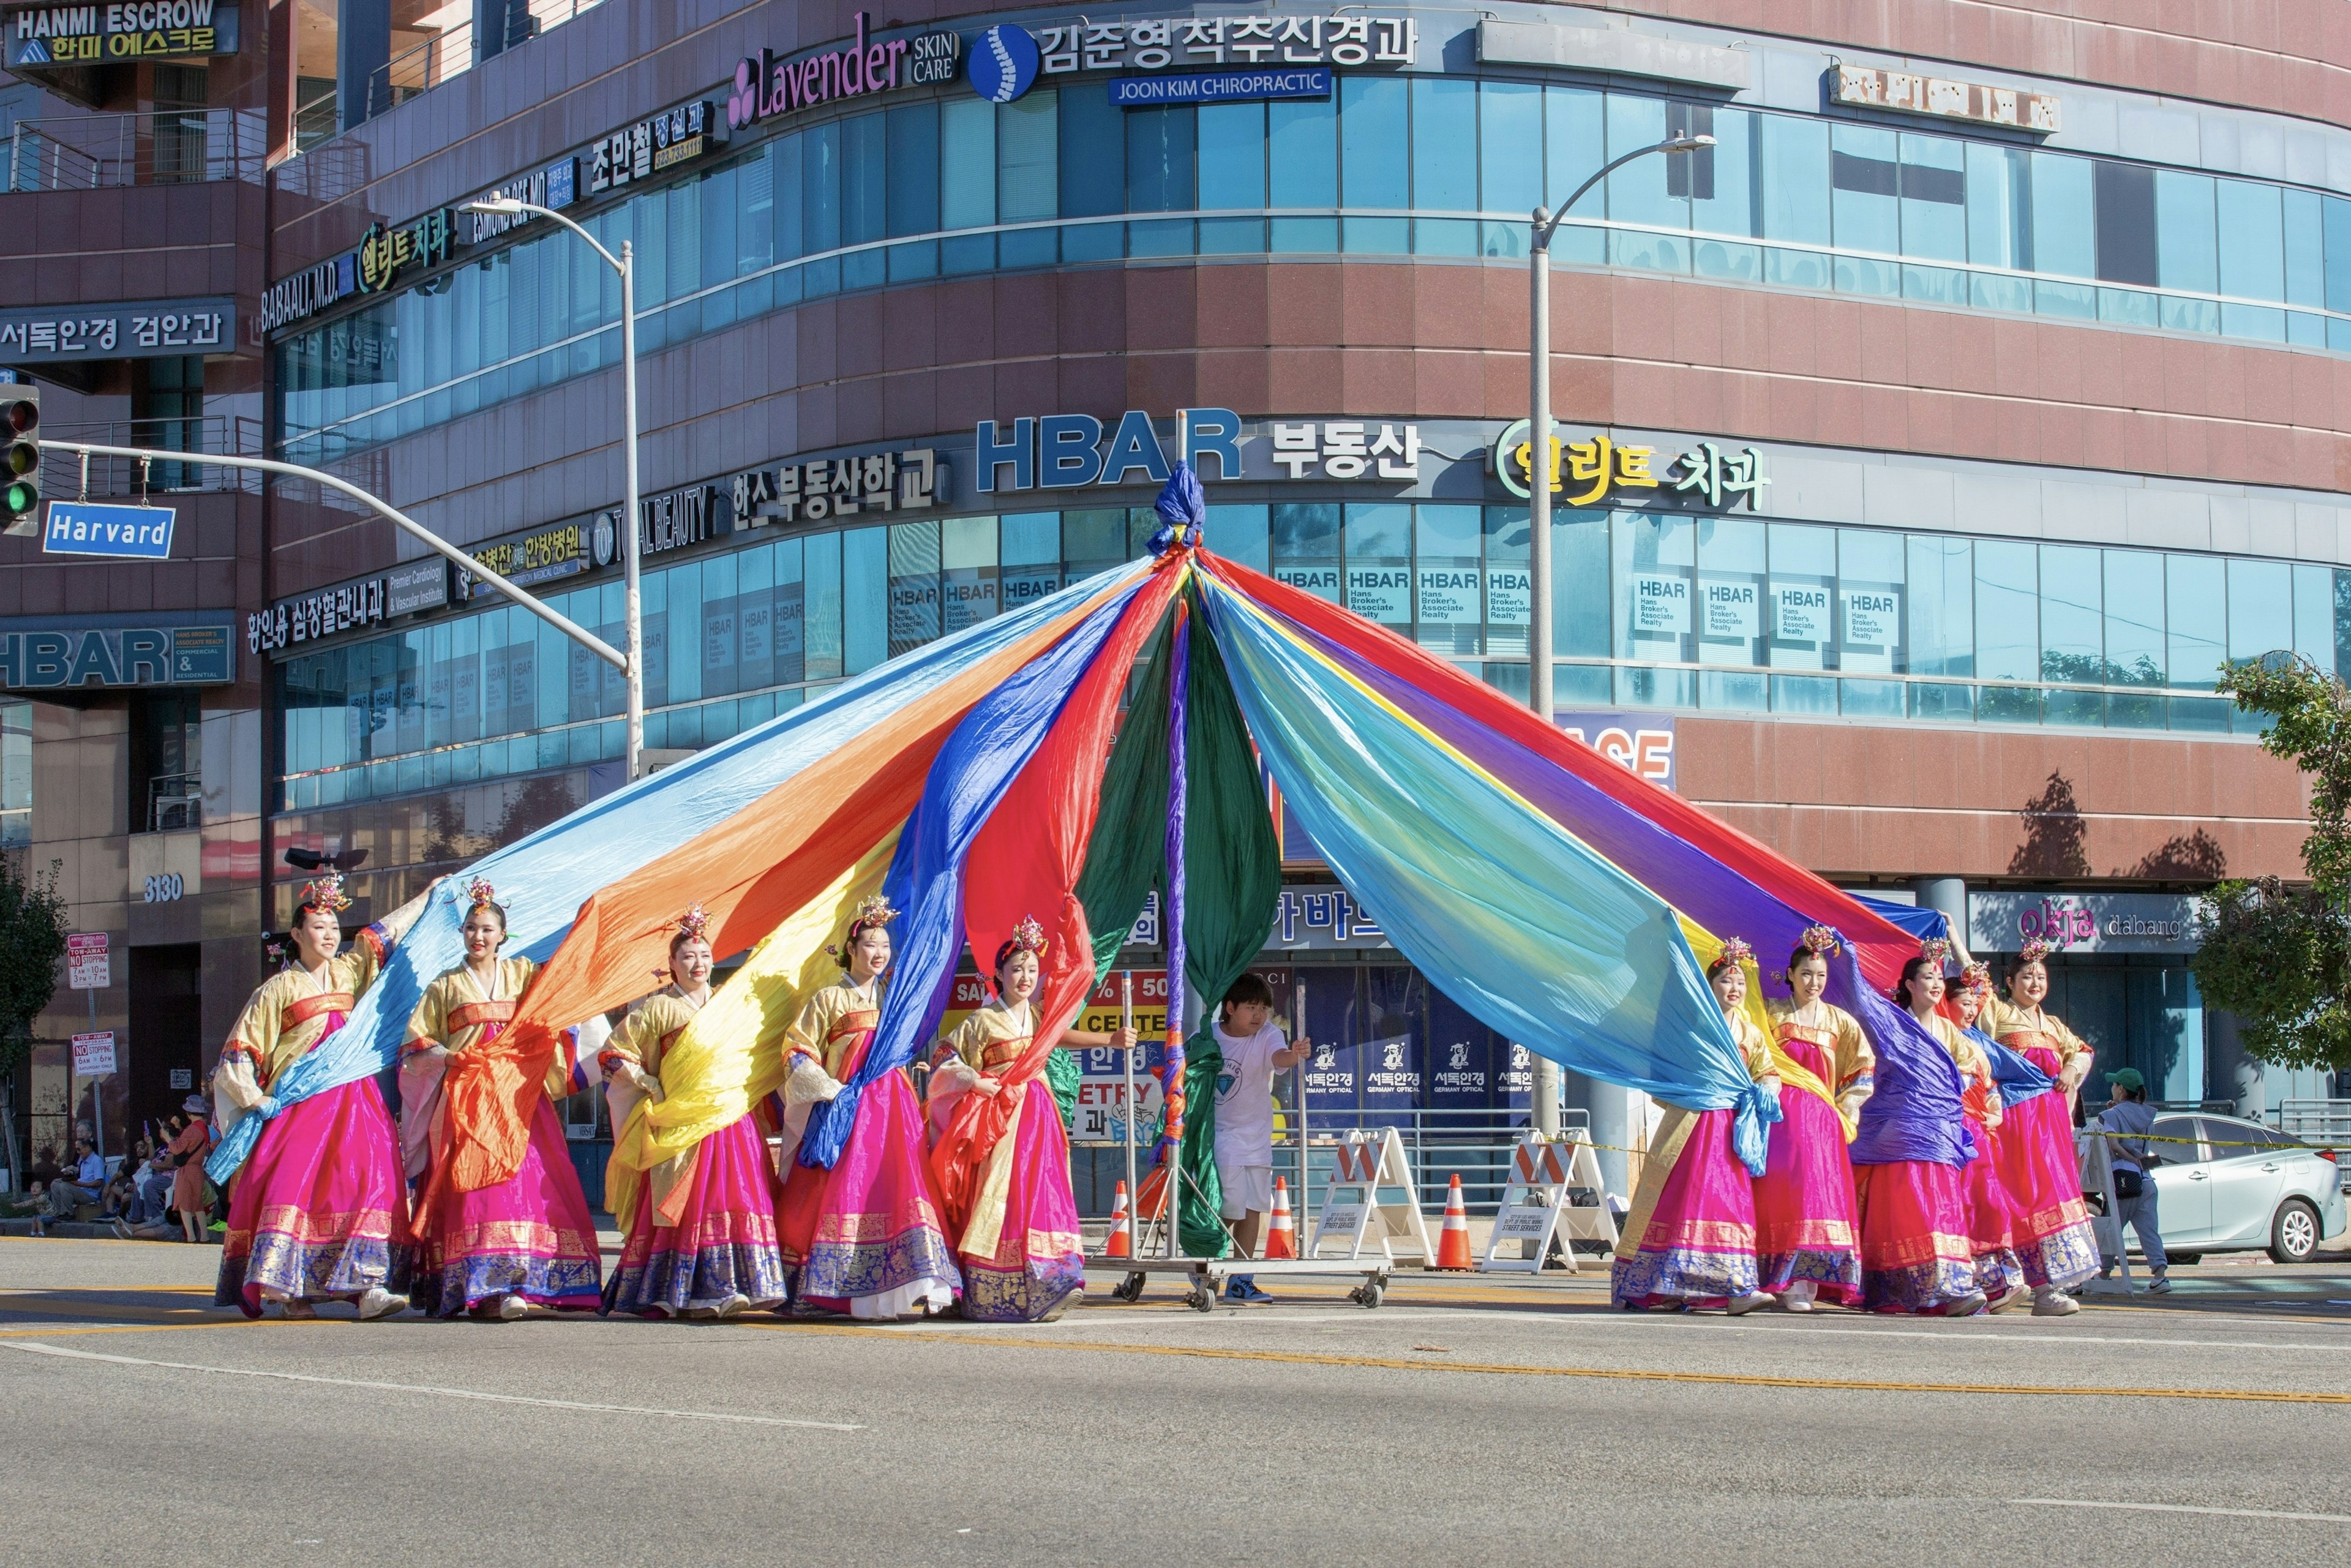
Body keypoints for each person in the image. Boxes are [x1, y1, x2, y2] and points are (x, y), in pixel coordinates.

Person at [211, 870, 432, 1320]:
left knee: (370, 1180)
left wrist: (428, 896)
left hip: (355, 1098)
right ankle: (291, 1288)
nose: (329, 935)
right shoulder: (276, 990)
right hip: (300, 1104)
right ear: (297, 933)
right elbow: (240, 1049)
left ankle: (366, 1285)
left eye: (334, 927)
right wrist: (254, 1098)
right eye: (318, 927)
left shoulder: (350, 973)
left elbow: (379, 937)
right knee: (298, 1186)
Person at [403, 878, 602, 1320]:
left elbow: (557, 999)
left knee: (530, 1185)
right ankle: (485, 1285)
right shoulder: (444, 985)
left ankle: (521, 1282)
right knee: (478, 1191)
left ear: (503, 935)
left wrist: (587, 927)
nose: (479, 936)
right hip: (468, 1099)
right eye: (472, 928)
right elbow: (416, 1044)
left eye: (488, 929)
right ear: (463, 934)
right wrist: (450, 1057)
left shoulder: (523, 974)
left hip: (518, 1099)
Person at [927, 916, 1138, 1322]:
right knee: (1000, 1194)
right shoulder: (982, 1020)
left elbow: (1061, 1034)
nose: (1025, 977)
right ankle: (991, 1289)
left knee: (1045, 1191)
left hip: (1039, 1115)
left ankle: (1052, 1278)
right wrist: (974, 1079)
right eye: (1016, 969)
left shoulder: (1040, 1017)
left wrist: (1109, 1041)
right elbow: (944, 1057)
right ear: (999, 975)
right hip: (1002, 1120)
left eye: (1031, 969)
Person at [776, 894, 962, 1319]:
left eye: (884, 946)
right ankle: (832, 1284)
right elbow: (797, 1049)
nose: (878, 953)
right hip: (850, 1105)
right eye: (869, 945)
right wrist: (829, 1089)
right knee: (842, 1188)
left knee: (902, 1183)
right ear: (850, 951)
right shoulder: (828, 999)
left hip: (893, 1107)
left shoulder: (894, 1000)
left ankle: (914, 1280)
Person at [602, 905, 789, 1319]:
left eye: (704, 955)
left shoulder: (728, 1004)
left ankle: (742, 1283)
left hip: (730, 1116)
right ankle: (690, 1290)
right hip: (683, 1121)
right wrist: (647, 1082)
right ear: (671, 963)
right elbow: (614, 1054)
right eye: (687, 956)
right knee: (690, 1202)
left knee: (737, 1194)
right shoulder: (657, 1009)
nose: (698, 963)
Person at [1612, 939, 1777, 1313]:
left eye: (1740, 984)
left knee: (1728, 1202)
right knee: (1681, 1199)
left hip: (1732, 1127)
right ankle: (1666, 1286)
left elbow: (1767, 1070)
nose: (1734, 990)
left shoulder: (1750, 1030)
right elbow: (1664, 1068)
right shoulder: (1691, 1026)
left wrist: (1766, 1088)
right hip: (1690, 1123)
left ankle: (1736, 1287)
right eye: (1725, 982)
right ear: (1710, 985)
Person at [1853, 952, 1990, 1316]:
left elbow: (1967, 1069)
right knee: (1904, 1210)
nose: (1935, 984)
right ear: (1910, 985)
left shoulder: (1948, 1030)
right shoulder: (1893, 1024)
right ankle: (1901, 1289)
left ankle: (1949, 1286)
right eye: (1927, 977)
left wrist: (1942, 1088)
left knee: (1942, 1207)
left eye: (1939, 978)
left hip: (1939, 1129)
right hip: (1898, 1131)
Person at [1979, 940, 2101, 1316]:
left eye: (2041, 976)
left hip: (2047, 1128)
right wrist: (1952, 937)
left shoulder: (2054, 1026)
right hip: (2013, 1123)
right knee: (2012, 1197)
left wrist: (2068, 1070)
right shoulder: (1997, 1013)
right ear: (2010, 981)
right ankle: (2003, 1281)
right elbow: (1975, 1020)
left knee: (2046, 1199)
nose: (2035, 982)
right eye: (2027, 976)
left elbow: (2083, 1051)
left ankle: (2048, 1289)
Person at [1755, 926, 1870, 1310]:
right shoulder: (1770, 1013)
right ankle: (1778, 1278)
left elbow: (1861, 1069)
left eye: (1821, 975)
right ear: (1790, 974)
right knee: (1782, 1196)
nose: (1814, 982)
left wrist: (1846, 1110)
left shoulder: (1840, 1021)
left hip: (1821, 1120)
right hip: (1781, 1119)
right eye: (1806, 974)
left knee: (1817, 1197)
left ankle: (1806, 1281)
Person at [1209, 973, 1311, 1304]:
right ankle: (1206, 1265)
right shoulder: (1208, 1037)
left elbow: (1278, 1057)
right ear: (1230, 1007)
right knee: (1228, 1207)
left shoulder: (1268, 1033)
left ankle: (1241, 1279)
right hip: (1221, 1135)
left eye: (1263, 1008)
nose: (1259, 1015)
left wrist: (1295, 1055)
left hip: (1257, 1136)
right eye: (1251, 1007)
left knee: (1253, 1207)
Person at [1942, 973, 2028, 1309]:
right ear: (1945, 1004)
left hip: (1980, 1134)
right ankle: (1964, 1282)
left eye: (1975, 1004)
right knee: (1961, 1206)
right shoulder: (1937, 1037)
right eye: (1965, 1003)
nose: (1972, 1010)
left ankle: (1999, 1281)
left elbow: (1992, 1092)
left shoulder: (1976, 1045)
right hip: (1954, 1132)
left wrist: (1991, 1116)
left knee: (1988, 1205)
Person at [2096, 1067, 2170, 1295]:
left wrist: (2133, 1160)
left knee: (2111, 1229)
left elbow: (2114, 1145)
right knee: (2149, 1231)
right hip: (2146, 1181)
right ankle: (2160, 1276)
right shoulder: (2148, 1114)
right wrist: (2141, 1160)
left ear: (2120, 1089)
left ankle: (2103, 1274)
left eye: (2113, 1084)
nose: (2111, 1088)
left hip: (2122, 1181)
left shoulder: (2111, 1116)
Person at [33, 1138, 105, 1232]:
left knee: (65, 1186)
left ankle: (67, 1213)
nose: (78, 1152)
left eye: (79, 1149)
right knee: (55, 1184)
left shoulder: (97, 1161)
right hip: (80, 1189)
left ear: (87, 1148)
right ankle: (58, 1213)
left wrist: (76, 1183)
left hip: (90, 1194)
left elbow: (98, 1182)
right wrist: (67, 1177)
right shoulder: (82, 1161)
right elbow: (81, 1178)